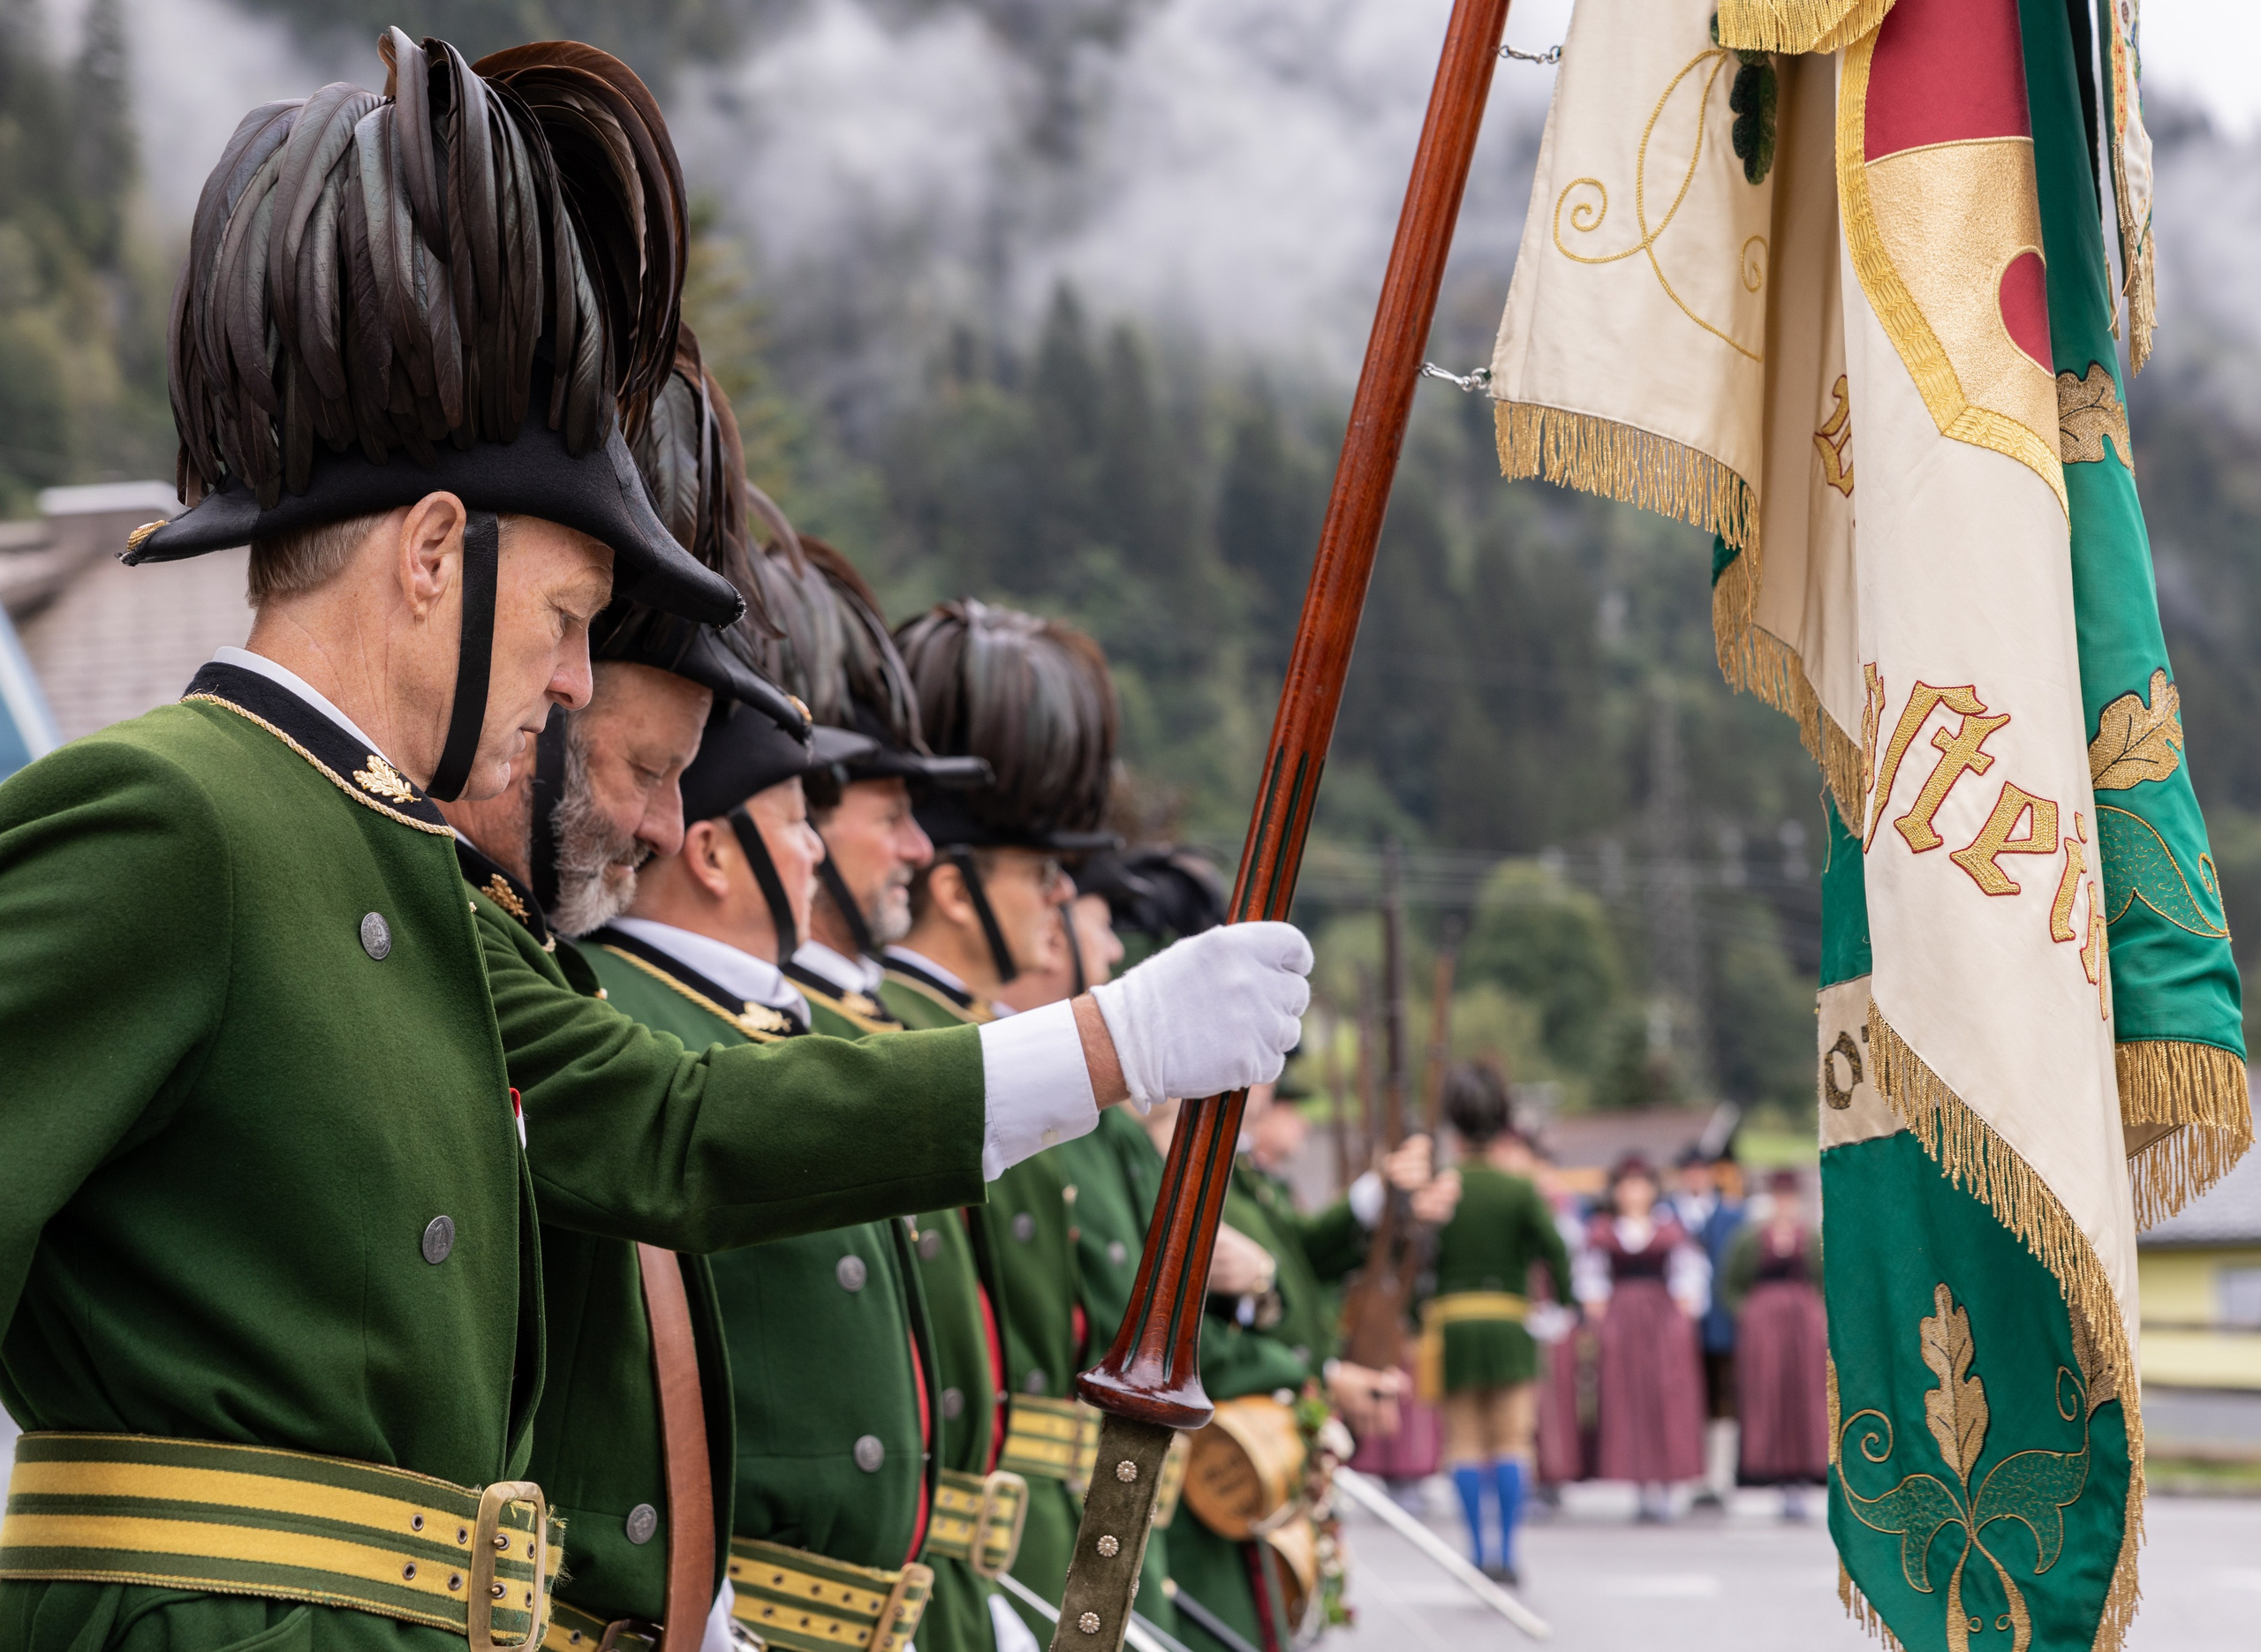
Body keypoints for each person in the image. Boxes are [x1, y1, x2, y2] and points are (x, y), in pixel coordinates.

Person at [0, 38, 1314, 1652]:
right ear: (430, 557)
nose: (568, 682)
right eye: (563, 620)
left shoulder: (417, 884)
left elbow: (676, 1127)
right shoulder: (172, 817)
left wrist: (1112, 1041)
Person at [1420, 1064, 1570, 1584]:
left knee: (1463, 1442)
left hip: (1454, 1327)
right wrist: (1563, 1305)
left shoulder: (1442, 1188)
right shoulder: (1520, 1189)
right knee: (1511, 1441)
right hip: (1510, 1326)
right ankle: (1508, 1551)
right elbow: (1555, 1249)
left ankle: (1477, 1549)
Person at [1575, 1155, 1710, 1521]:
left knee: (1665, 1399)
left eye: (1640, 1185)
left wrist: (1678, 1320)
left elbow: (1690, 1276)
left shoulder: (1670, 1230)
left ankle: (1666, 1483)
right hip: (1621, 1324)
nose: (1633, 1193)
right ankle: (1640, 1486)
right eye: (1626, 1186)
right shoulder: (1602, 1232)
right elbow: (1591, 1281)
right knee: (1628, 1399)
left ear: (1652, 1189)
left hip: (1662, 1326)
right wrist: (1604, 1321)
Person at [1720, 1169, 1828, 1520]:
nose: (1784, 1204)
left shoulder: (1810, 1237)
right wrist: (1749, 1315)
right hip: (1764, 1333)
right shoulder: (1750, 1239)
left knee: (1803, 1399)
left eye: (1789, 1197)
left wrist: (1816, 1315)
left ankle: (1800, 1480)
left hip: (1802, 1331)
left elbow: (1824, 1281)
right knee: (1770, 1397)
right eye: (1778, 1197)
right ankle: (1776, 1476)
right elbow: (1731, 1285)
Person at [1673, 1146, 1747, 1511]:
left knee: (1723, 1398)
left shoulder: (1733, 1216)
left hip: (1719, 1321)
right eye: (1690, 1171)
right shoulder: (1668, 1214)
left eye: (1702, 1171)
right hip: (1678, 1324)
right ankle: (1688, 1476)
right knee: (1685, 1398)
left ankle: (1720, 1477)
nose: (1696, 1177)